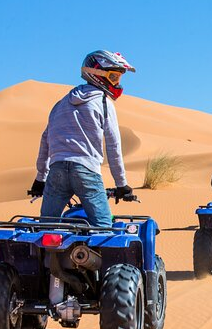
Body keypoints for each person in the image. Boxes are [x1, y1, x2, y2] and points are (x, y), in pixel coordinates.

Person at [29, 50, 135, 228]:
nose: (117, 83)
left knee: (46, 228)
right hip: (86, 171)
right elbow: (113, 145)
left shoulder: (60, 104)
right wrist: (121, 184)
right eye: (114, 77)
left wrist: (40, 178)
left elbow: (45, 141)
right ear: (98, 75)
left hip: (56, 171)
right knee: (103, 230)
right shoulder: (102, 101)